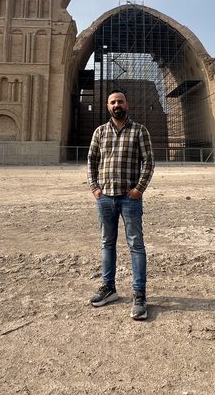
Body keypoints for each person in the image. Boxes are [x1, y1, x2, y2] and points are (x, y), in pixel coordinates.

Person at [87, 88, 155, 320]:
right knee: (107, 243)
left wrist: (139, 189)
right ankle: (109, 288)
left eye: (121, 102)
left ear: (127, 105)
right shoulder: (100, 132)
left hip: (129, 198)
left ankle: (139, 294)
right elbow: (91, 161)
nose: (117, 105)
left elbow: (148, 162)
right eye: (113, 102)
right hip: (105, 197)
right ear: (108, 106)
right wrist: (95, 189)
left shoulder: (139, 131)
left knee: (136, 244)